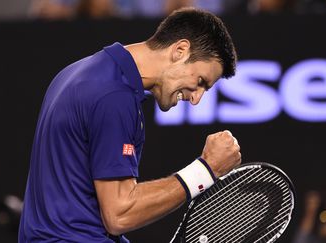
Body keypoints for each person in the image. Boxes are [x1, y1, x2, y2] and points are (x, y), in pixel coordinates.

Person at [19, 7, 241, 242]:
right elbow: (119, 216)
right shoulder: (114, 97)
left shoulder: (76, 72)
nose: (196, 99)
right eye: (200, 82)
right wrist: (206, 171)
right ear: (180, 50)